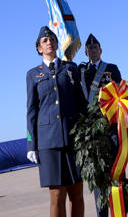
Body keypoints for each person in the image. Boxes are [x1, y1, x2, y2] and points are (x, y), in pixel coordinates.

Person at [26, 26, 84, 217]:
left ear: (57, 44)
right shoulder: (33, 74)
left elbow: (81, 102)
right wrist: (31, 144)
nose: (49, 42)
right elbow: (32, 111)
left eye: (52, 39)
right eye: (44, 41)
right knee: (57, 194)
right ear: (39, 48)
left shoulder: (70, 69)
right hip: (48, 142)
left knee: (77, 192)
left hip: (73, 136)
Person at [78, 34, 122, 217]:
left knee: (116, 172)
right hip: (92, 132)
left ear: (101, 50)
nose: (93, 50)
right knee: (98, 177)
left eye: (96, 47)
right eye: (90, 48)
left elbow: (120, 94)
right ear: (86, 52)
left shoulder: (112, 68)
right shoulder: (81, 71)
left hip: (111, 128)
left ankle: (120, 211)